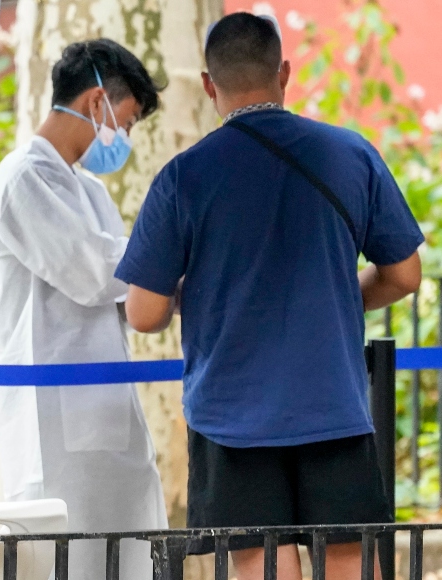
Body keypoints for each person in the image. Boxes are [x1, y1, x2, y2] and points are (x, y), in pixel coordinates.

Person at [117, 13, 423, 580]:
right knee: (350, 563)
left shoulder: (184, 178)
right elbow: (404, 275)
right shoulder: (349, 155)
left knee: (260, 565)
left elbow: (144, 312)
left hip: (228, 417)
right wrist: (340, 293)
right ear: (284, 71)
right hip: (334, 407)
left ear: (210, 84)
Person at [0, 39, 167, 580]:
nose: (122, 138)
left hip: (107, 413)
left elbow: (131, 292)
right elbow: (94, 272)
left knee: (128, 554)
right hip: (51, 423)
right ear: (95, 103)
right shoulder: (22, 179)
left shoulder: (90, 191)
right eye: (124, 121)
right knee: (63, 558)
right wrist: (169, 258)